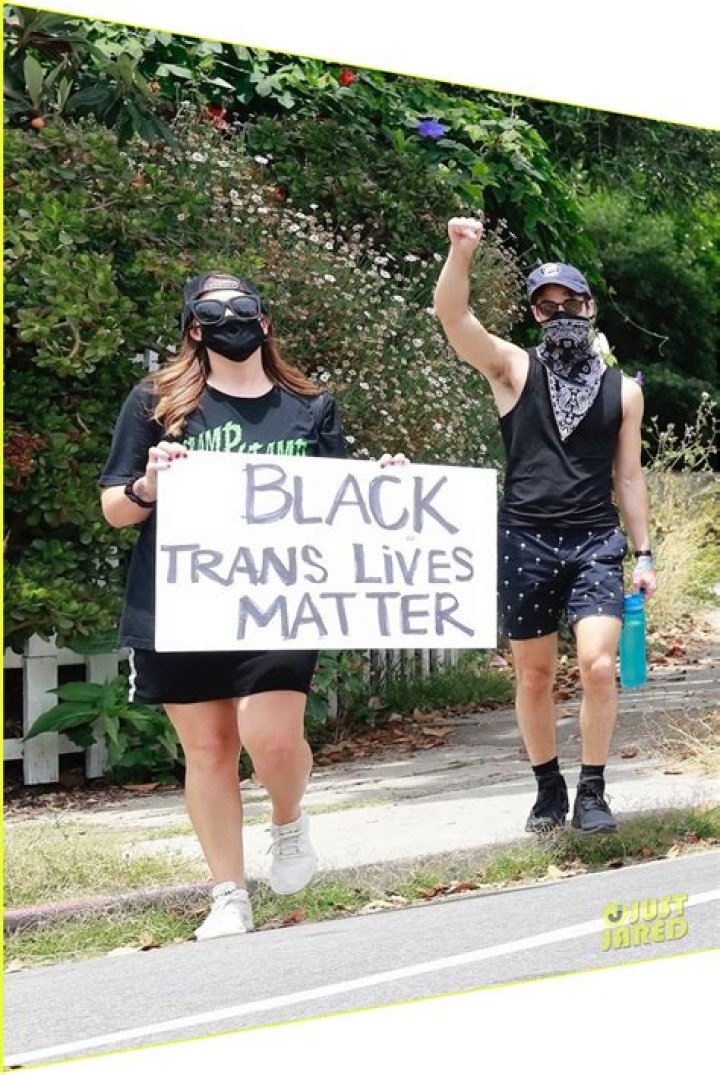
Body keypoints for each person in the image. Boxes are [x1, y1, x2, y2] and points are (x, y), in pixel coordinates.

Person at [100, 271, 404, 940]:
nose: (232, 319)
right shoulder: (157, 401)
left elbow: (340, 507)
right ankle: (229, 893)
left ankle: (288, 819)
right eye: (215, 311)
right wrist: (149, 484)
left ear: (266, 323)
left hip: (280, 599)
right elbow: (115, 507)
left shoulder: (310, 406)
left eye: (246, 309)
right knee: (207, 748)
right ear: (193, 328)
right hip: (181, 602)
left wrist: (382, 489)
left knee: (269, 736)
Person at [434, 219, 657, 835]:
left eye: (571, 303)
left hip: (594, 540)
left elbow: (629, 479)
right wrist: (462, 253)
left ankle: (593, 788)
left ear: (589, 307)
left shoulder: (623, 391)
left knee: (598, 664)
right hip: (524, 539)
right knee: (533, 674)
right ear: (535, 314)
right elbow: (454, 319)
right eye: (546, 304)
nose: (560, 312)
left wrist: (644, 553)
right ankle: (546, 788)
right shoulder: (512, 369)